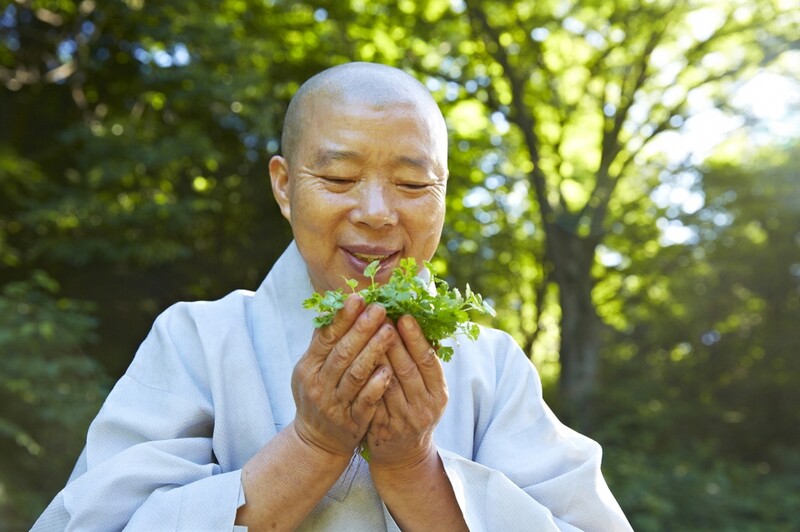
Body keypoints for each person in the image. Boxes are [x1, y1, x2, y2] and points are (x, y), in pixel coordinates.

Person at [32, 62, 632, 531]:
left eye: (413, 183)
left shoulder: (493, 367)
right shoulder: (197, 339)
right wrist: (313, 444)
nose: (375, 213)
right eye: (339, 179)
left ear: (443, 194)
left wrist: (411, 467)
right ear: (285, 186)